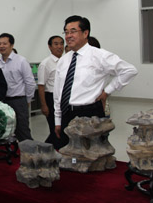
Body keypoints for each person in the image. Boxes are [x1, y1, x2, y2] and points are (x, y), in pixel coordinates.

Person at [54, 16, 138, 149]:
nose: (68, 36)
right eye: (66, 32)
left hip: (90, 114)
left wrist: (107, 91)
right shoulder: (63, 60)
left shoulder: (99, 55)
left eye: (73, 31)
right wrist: (58, 120)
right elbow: (58, 93)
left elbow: (129, 70)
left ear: (85, 33)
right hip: (67, 113)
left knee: (92, 152)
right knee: (69, 152)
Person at [0, 33, 36, 141]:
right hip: (3, 102)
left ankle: (28, 151)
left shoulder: (21, 61)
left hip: (19, 101)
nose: (1, 46)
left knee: (22, 131)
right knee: (6, 132)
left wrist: (27, 100)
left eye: (4, 43)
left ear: (12, 45)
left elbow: (30, 83)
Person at [37, 35, 64, 147]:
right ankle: (46, 149)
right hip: (51, 97)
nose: (59, 46)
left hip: (63, 97)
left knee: (63, 127)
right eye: (56, 44)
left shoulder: (65, 61)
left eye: (61, 44)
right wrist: (44, 105)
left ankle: (48, 148)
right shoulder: (45, 63)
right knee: (55, 128)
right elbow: (41, 86)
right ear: (50, 47)